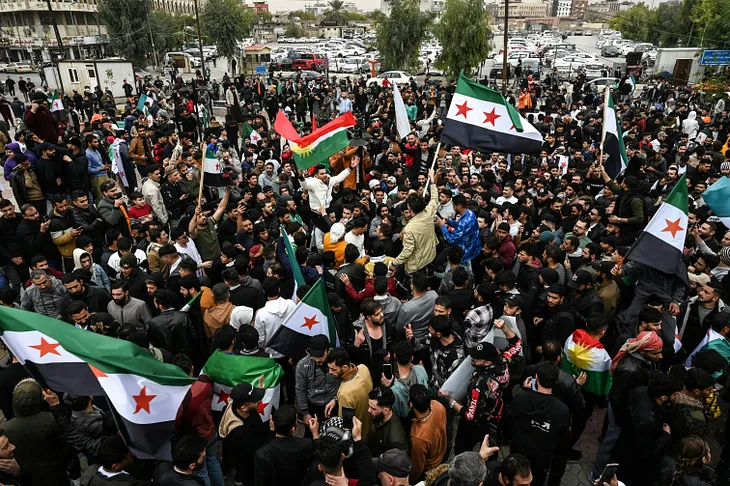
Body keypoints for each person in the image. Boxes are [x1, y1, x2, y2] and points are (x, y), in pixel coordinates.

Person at [507, 361, 571, 486]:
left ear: (536, 377)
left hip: (518, 453)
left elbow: (507, 421)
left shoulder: (521, 399)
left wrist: (525, 391)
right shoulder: (561, 410)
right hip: (542, 459)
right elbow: (562, 446)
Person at [253, 405, 312, 486]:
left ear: (273, 424)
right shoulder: (306, 444)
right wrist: (315, 435)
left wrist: (271, 432)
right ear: (293, 429)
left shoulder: (262, 454)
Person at [325, 347, 374, 439]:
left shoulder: (345, 394)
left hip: (358, 437)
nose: (330, 372)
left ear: (345, 368)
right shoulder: (363, 368)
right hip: (370, 428)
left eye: (333, 369)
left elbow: (345, 428)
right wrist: (336, 399)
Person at [295, 334, 340, 423]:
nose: (316, 359)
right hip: (313, 406)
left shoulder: (338, 361)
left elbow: (344, 382)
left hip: (333, 404)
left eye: (320, 356)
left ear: (328, 350)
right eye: (314, 356)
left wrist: (336, 399)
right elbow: (300, 389)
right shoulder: (302, 365)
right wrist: (305, 413)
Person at [366, 385, 409, 457]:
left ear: (386, 410)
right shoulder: (379, 416)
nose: (369, 410)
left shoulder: (395, 440)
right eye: (369, 406)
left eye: (373, 408)